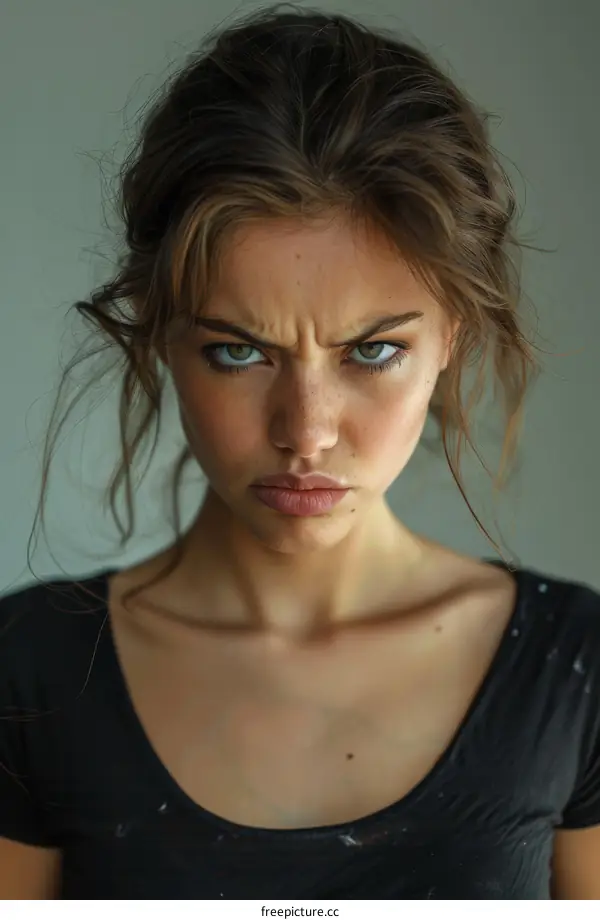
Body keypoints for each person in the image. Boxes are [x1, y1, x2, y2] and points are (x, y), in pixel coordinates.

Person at [1, 3, 599, 901]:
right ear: (163, 335)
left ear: (453, 342)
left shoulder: (574, 673)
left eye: (372, 350)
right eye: (238, 351)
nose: (306, 430)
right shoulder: (29, 671)